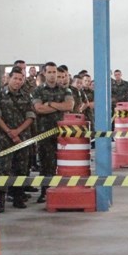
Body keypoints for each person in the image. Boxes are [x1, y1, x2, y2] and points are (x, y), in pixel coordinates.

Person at [0, 66, 36, 212]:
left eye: (21, 79)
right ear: (9, 78)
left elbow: (30, 117)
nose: (18, 81)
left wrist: (18, 131)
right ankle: (1, 199)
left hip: (23, 136)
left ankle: (18, 196)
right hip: (6, 138)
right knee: (5, 169)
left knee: (22, 168)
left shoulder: (26, 96)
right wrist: (9, 132)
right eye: (15, 78)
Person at [32, 61, 74, 203]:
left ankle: (62, 190)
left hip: (62, 133)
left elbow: (70, 105)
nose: (52, 75)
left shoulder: (65, 90)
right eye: (49, 72)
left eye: (54, 72)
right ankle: (45, 192)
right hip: (44, 132)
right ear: (44, 73)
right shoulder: (38, 91)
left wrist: (49, 104)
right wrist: (59, 107)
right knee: (45, 163)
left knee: (63, 163)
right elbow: (38, 109)